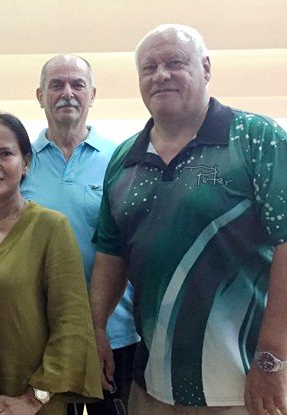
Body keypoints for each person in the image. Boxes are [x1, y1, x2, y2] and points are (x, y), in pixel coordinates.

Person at [89, 24, 287, 415]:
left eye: (175, 63)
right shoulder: (125, 159)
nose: (160, 75)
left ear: (206, 68)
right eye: (149, 68)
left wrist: (272, 359)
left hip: (244, 387)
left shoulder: (256, 139)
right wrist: (95, 329)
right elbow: (111, 256)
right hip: (152, 386)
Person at [0, 112, 102, 415]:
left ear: (25, 163)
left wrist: (34, 398)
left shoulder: (50, 227)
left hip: (33, 404)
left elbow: (72, 323)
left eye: (5, 154)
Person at [21, 55, 139, 414]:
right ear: (40, 96)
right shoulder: (21, 162)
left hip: (116, 331)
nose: (67, 93)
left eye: (77, 85)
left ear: (93, 94)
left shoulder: (123, 158)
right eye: (56, 85)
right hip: (45, 335)